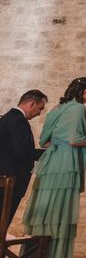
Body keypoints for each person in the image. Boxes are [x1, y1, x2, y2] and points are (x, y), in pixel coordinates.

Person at [22, 77, 86, 258]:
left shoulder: (56, 109)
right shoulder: (78, 109)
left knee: (45, 213)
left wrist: (59, 143)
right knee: (60, 212)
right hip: (66, 165)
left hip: (49, 164)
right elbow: (74, 141)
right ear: (85, 92)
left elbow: (44, 142)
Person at [0, 89, 47, 226]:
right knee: (2, 224)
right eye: (40, 108)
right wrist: (50, 154)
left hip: (5, 179)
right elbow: (22, 151)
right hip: (10, 181)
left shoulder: (8, 118)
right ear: (32, 103)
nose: (39, 113)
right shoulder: (17, 120)